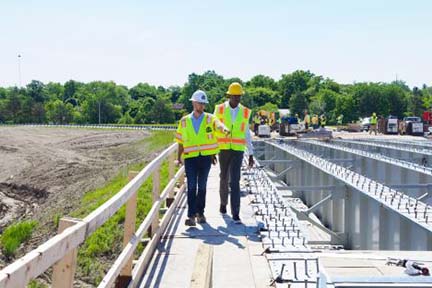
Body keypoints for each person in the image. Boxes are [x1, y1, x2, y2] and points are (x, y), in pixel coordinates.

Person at [175, 90, 228, 226]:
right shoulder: (184, 121)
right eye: (199, 103)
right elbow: (180, 141)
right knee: (192, 186)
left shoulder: (210, 119)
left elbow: (219, 125)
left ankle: (200, 213)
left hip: (205, 159)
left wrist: (224, 129)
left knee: (202, 186)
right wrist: (178, 158)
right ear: (193, 102)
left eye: (203, 104)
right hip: (190, 158)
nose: (202, 106)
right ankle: (191, 216)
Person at [214, 82, 254, 224]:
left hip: (237, 150)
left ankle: (235, 212)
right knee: (224, 177)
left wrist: (251, 153)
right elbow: (214, 129)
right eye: (235, 96)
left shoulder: (244, 112)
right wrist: (213, 150)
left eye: (239, 96)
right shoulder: (219, 110)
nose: (237, 99)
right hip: (223, 149)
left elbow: (247, 133)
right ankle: (223, 204)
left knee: (235, 180)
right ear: (229, 96)